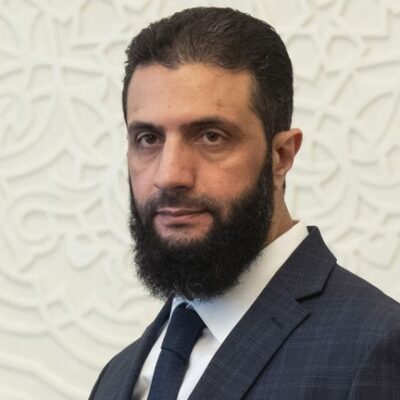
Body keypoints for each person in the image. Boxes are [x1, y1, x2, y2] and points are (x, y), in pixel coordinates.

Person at [90, 7, 400, 400]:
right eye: (148, 139)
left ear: (282, 156)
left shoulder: (375, 347)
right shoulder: (118, 376)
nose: (169, 175)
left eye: (211, 136)